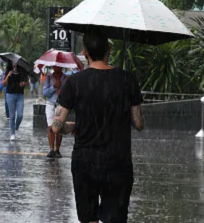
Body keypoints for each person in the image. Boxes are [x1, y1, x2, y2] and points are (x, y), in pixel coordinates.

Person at [52, 33, 144, 223]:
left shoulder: (74, 82)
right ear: (109, 50)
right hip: (117, 161)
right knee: (115, 217)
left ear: (85, 53)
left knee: (89, 217)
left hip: (85, 161)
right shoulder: (127, 79)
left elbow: (56, 127)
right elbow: (139, 124)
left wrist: (72, 127)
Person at [43, 66, 68, 158]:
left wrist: (62, 91)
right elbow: (45, 93)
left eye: (59, 66)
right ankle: (51, 149)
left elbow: (69, 92)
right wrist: (54, 87)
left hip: (60, 105)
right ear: (53, 67)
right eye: (55, 66)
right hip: (50, 104)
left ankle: (57, 150)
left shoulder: (66, 78)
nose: (57, 68)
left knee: (58, 128)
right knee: (50, 128)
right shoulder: (48, 77)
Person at [2, 63, 29, 141]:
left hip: (20, 95)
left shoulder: (22, 73)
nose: (14, 64)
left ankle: (16, 128)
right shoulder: (8, 72)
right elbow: (3, 84)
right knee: (12, 115)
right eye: (13, 63)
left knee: (20, 115)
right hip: (10, 95)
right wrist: (8, 76)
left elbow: (28, 83)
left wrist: (24, 83)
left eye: (16, 63)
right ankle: (12, 133)